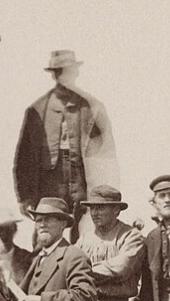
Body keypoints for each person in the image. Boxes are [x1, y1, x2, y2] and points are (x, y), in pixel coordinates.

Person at [13, 50, 115, 213]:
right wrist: (24, 197)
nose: (65, 76)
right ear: (54, 75)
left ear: (76, 72)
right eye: (60, 72)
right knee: (48, 225)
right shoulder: (37, 110)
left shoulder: (92, 106)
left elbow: (106, 153)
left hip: (82, 180)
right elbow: (24, 157)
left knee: (84, 228)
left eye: (69, 71)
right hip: (49, 183)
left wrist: (107, 196)